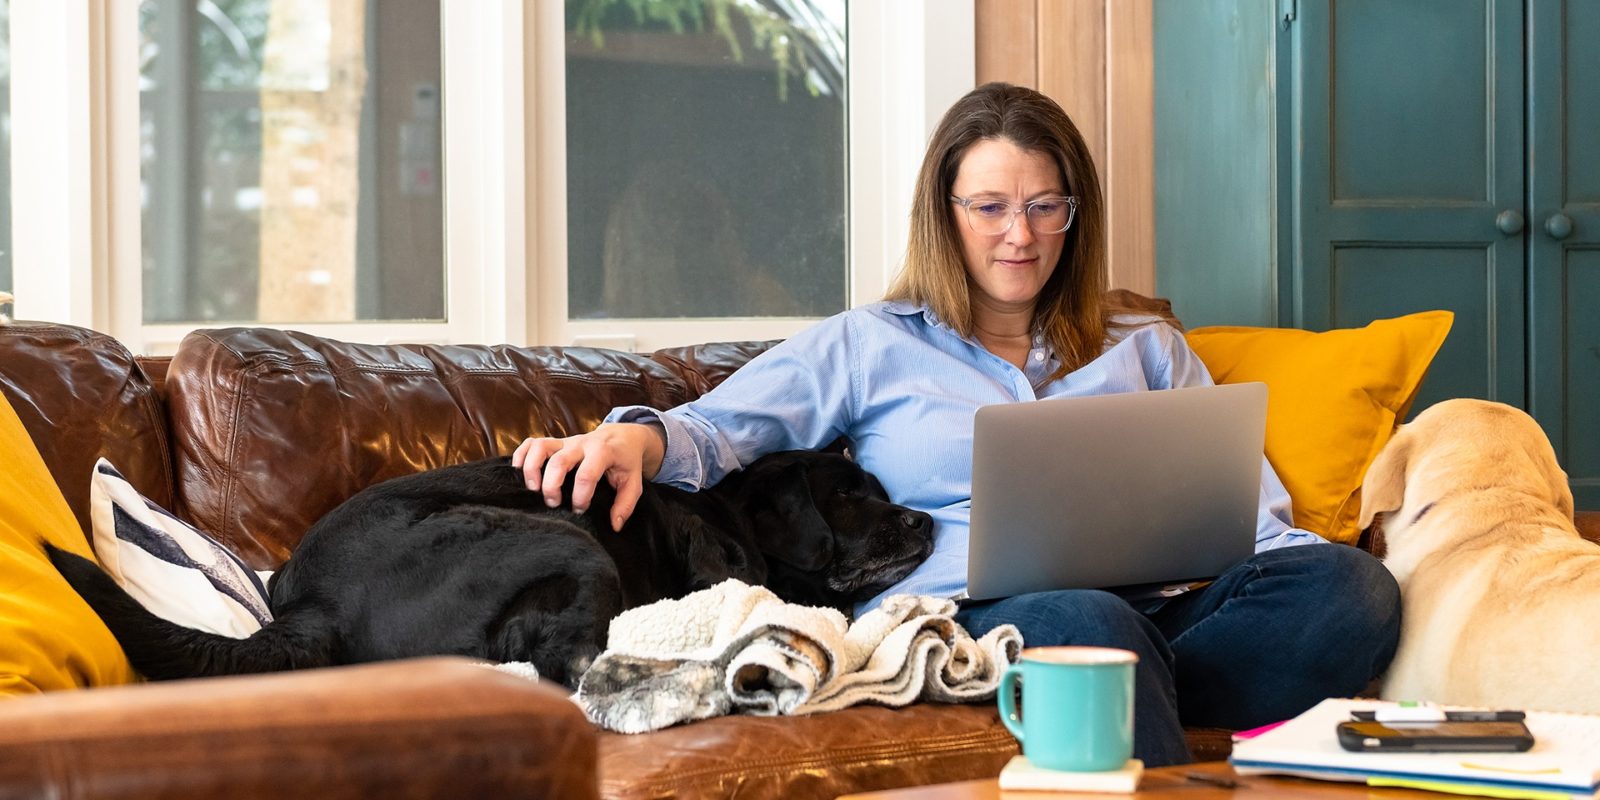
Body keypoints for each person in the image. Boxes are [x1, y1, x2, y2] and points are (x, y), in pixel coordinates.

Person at [512, 82, 1400, 766]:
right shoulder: (870, 344)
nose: (1021, 235)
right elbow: (720, 429)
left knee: (1352, 590)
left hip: (1169, 610)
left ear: (1074, 215)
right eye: (991, 207)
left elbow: (1257, 522)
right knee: (1086, 621)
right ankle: (1138, 706)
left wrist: (1311, 574)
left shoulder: (1150, 349)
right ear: (947, 213)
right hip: (976, 618)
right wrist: (634, 437)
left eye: (1046, 206)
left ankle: (1135, 692)